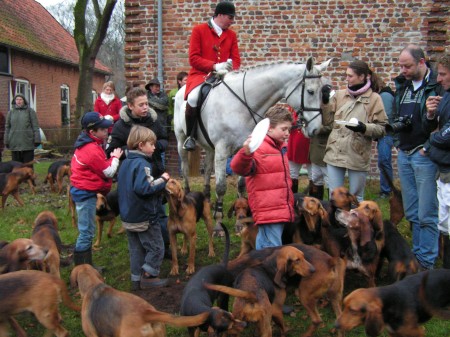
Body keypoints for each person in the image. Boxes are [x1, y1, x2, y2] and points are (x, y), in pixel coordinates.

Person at [391, 44, 441, 270]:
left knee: (426, 212)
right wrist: (397, 143)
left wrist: (429, 146)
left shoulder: (437, 86)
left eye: (407, 66)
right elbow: (394, 117)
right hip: (405, 152)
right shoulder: (403, 86)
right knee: (411, 210)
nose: (403, 70)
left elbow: (443, 122)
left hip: (424, 154)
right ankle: (416, 256)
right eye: (401, 65)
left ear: (422, 62)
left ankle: (426, 262)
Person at [105, 87, 171, 255]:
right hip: (134, 177)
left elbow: (164, 138)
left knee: (161, 213)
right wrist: (133, 151)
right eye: (141, 105)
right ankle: (142, 252)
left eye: (147, 104)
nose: (145, 108)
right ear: (130, 106)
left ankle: (164, 248)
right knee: (140, 216)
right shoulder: (121, 126)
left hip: (155, 172)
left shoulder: (153, 121)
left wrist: (156, 148)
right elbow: (111, 150)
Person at [231, 105, 294, 249]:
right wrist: (245, 154)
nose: (287, 133)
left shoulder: (278, 147)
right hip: (268, 210)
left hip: (278, 208)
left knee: (265, 244)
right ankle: (268, 270)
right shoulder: (258, 148)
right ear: (269, 128)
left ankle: (259, 268)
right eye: (283, 129)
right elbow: (238, 167)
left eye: (289, 129)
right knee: (271, 249)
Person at [323, 60, 387, 202]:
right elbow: (327, 121)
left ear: (362, 76)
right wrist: (325, 101)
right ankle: (337, 223)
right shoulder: (339, 95)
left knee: (356, 198)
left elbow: (382, 128)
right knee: (334, 197)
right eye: (346, 75)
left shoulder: (374, 99)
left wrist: (363, 128)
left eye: (350, 76)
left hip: (357, 154)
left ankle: (355, 223)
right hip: (335, 152)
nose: (347, 79)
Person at [183, 1, 241, 151]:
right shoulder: (199, 30)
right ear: (220, 15)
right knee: (193, 98)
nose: (232, 21)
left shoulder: (231, 35)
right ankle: (191, 136)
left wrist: (229, 69)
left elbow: (236, 59)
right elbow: (193, 58)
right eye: (230, 17)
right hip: (201, 75)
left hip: (225, 76)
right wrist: (214, 66)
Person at [118, 125, 170, 289]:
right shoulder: (142, 164)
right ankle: (149, 277)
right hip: (144, 217)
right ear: (141, 145)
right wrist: (163, 179)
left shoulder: (125, 163)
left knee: (136, 250)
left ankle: (135, 280)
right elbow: (145, 188)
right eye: (151, 144)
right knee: (157, 247)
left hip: (128, 216)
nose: (155, 147)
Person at [70, 112, 123, 266]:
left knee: (87, 230)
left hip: (85, 191)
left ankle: (86, 267)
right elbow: (109, 171)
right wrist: (115, 157)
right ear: (92, 132)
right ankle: (82, 269)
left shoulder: (91, 144)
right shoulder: (90, 150)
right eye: (102, 129)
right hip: (85, 194)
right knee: (86, 232)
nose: (107, 130)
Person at [426, 53, 450, 268]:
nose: (439, 79)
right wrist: (432, 114)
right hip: (442, 167)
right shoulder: (446, 96)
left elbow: (445, 136)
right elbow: (436, 128)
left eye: (443, 74)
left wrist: (432, 140)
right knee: (444, 221)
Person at [5, 94, 41, 163]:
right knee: (16, 166)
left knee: (28, 166)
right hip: (14, 143)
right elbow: (7, 128)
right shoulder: (11, 113)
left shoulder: (30, 111)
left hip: (28, 143)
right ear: (14, 101)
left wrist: (37, 139)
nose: (19, 101)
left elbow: (35, 126)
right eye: (17, 99)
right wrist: (6, 140)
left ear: (24, 101)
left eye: (20, 99)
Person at [375, 79, 395, 199]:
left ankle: (386, 190)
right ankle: (386, 189)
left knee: (384, 161)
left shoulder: (385, 96)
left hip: (386, 133)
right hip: (384, 133)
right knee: (383, 161)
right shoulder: (384, 95)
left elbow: (385, 119)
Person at [287, 106, 311, 194]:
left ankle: (315, 203)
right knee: (292, 174)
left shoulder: (312, 107)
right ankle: (292, 200)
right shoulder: (292, 108)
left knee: (314, 177)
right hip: (294, 145)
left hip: (309, 145)